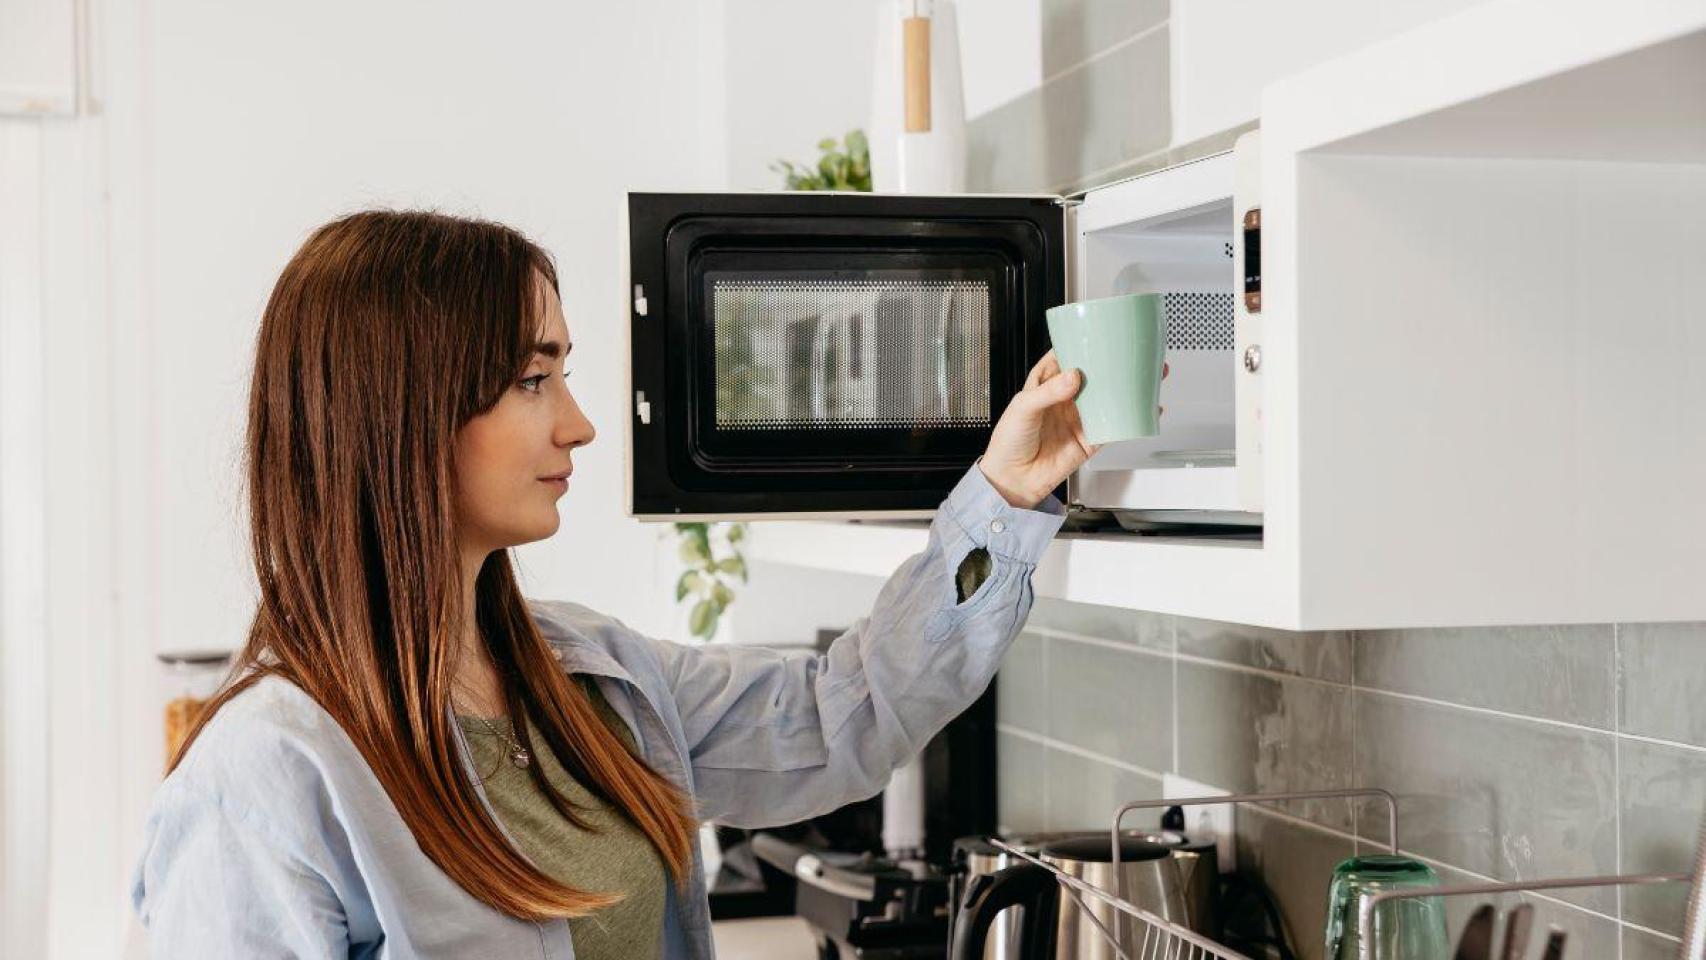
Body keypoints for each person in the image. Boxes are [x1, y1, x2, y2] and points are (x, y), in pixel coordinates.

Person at [129, 209, 1109, 959]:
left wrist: (1001, 495)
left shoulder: (588, 678)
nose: (580, 424)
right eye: (531, 379)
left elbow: (834, 719)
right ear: (403, 414)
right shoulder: (265, 781)